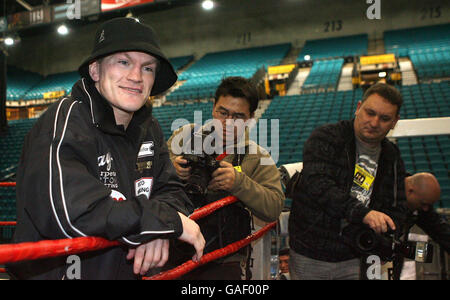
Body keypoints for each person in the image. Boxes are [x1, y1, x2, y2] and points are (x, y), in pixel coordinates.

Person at [7, 17, 205, 280]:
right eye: (123, 62)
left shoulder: (149, 127)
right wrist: (163, 223)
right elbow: (72, 213)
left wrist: (157, 228)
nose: (136, 76)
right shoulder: (64, 122)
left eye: (147, 68)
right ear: (95, 71)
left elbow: (172, 191)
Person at [166, 76, 285, 280]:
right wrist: (172, 170)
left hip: (223, 258)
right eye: (223, 112)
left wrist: (239, 183)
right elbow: (147, 179)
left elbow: (274, 208)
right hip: (174, 248)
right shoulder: (184, 136)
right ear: (213, 107)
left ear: (250, 118)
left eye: (238, 116)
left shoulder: (257, 157)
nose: (228, 123)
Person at [288, 83, 408, 280]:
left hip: (357, 256)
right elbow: (319, 185)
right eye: (370, 112)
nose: (375, 122)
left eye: (385, 118)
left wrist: (387, 233)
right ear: (358, 107)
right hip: (311, 253)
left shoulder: (392, 156)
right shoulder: (326, 137)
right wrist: (364, 214)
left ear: (395, 122)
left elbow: (398, 205)